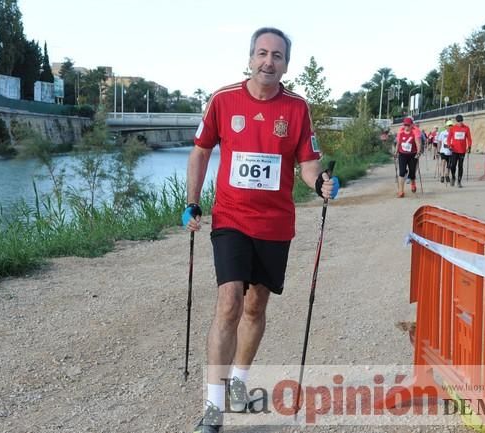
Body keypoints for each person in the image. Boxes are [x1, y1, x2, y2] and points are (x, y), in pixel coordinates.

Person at [182, 27, 338, 433]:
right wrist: (192, 201)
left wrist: (320, 182)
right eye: (262, 53)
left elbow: (307, 164)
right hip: (231, 218)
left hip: (274, 224)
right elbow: (200, 151)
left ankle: (239, 382)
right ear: (250, 57)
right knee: (230, 302)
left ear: (286, 64)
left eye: (278, 56)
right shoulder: (223, 99)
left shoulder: (297, 109)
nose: (269, 61)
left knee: (255, 307)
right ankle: (213, 411)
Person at [394, 117, 422, 198]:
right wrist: (396, 152)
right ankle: (401, 191)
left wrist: (418, 152)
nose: (406, 127)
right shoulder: (401, 132)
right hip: (402, 154)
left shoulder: (414, 132)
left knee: (412, 172)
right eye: (405, 125)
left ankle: (413, 183)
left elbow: (418, 143)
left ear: (411, 125)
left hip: (412, 154)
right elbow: (398, 143)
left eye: (408, 125)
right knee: (402, 172)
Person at [447, 114, 473, 187]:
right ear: (456, 121)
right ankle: (453, 177)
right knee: (453, 165)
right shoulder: (453, 128)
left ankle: (459, 181)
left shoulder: (466, 128)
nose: (460, 123)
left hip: (462, 151)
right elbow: (449, 138)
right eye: (458, 122)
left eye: (461, 121)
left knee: (460, 166)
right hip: (454, 150)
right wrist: (449, 145)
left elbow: (469, 139)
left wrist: (469, 147)